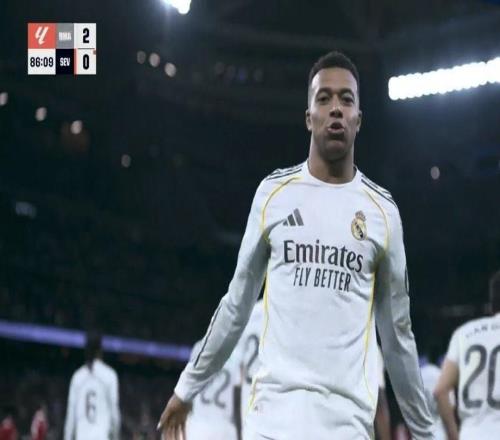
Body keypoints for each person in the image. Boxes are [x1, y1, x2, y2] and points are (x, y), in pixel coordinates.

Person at [158, 50, 434, 440]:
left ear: (358, 119)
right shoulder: (273, 195)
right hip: (272, 424)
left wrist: (425, 433)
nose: (335, 108)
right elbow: (236, 305)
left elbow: (397, 336)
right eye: (324, 98)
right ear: (309, 117)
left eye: (346, 99)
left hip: (345, 429)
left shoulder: (382, 213)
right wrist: (187, 387)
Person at [434, 270, 500, 439]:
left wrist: (454, 436)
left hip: (471, 433)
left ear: (491, 305)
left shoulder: (464, 333)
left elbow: (440, 391)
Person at [64, 330, 120, 440]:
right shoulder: (109, 375)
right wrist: (115, 437)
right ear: (101, 349)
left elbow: (70, 419)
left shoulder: (78, 377)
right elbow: (114, 414)